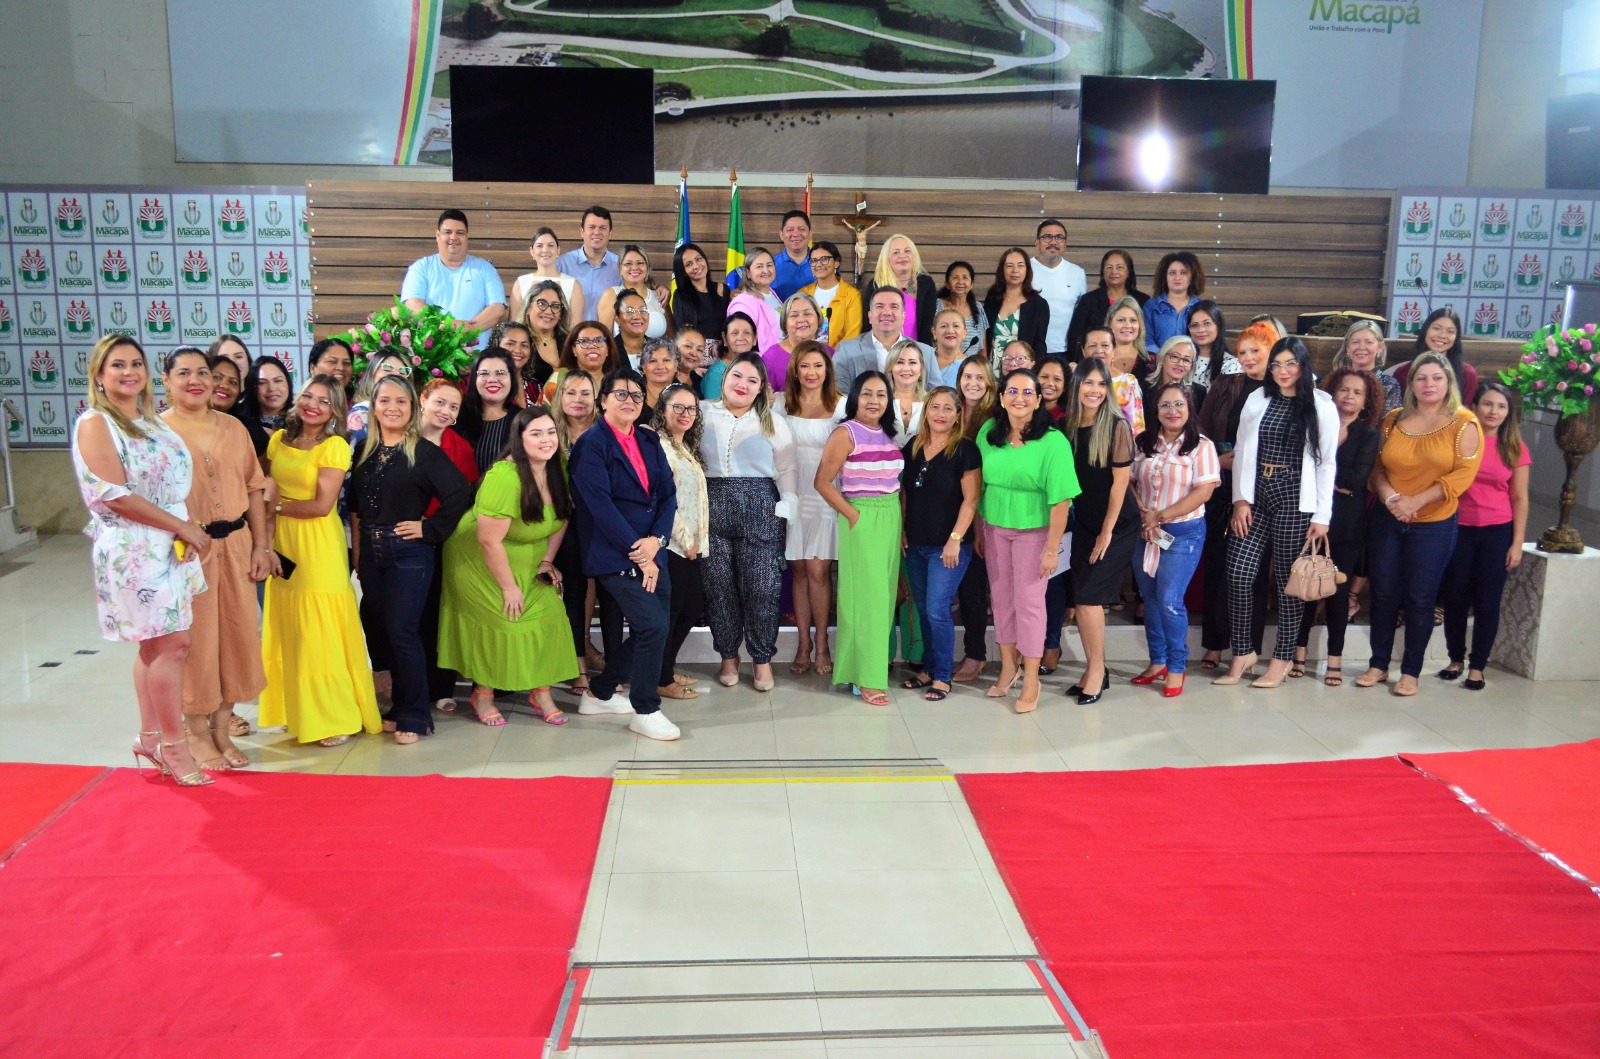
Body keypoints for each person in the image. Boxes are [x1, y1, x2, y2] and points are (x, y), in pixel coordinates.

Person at [73, 336, 211, 786]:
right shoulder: (96, 422)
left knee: (154, 645)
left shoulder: (150, 421)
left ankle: (150, 737)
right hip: (133, 549)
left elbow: (170, 484)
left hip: (167, 544)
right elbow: (113, 494)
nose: (129, 372)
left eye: (136, 363)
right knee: (174, 645)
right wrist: (182, 527)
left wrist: (183, 528)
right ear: (99, 374)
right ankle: (176, 745)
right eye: (117, 365)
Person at [160, 348, 270, 770]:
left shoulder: (233, 427)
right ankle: (196, 733)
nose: (196, 380)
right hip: (186, 551)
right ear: (166, 380)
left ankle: (223, 731)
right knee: (198, 643)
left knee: (239, 637)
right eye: (183, 373)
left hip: (238, 544)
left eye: (203, 373)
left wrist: (261, 545)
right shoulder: (156, 432)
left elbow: (255, 487)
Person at [260, 375, 382, 746]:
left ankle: (336, 714)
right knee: (291, 626)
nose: (313, 405)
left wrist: (275, 509)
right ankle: (298, 709)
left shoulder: (335, 446)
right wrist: (265, 533)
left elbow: (320, 505)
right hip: (283, 539)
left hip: (317, 544)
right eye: (308, 396)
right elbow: (270, 486)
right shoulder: (279, 440)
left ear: (336, 411)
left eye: (324, 401)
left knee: (320, 629)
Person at [349, 375, 471, 741]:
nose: (392, 408)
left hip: (410, 554)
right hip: (371, 554)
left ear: (413, 407)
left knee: (404, 633)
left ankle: (416, 716)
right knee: (386, 632)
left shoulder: (424, 451)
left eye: (401, 401)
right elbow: (356, 508)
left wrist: (430, 529)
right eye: (384, 400)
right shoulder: (364, 450)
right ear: (373, 406)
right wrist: (358, 555)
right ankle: (401, 704)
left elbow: (460, 494)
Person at [439, 406, 578, 726]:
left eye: (550, 432)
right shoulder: (504, 476)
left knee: (551, 615)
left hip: (527, 556)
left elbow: (561, 518)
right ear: (519, 439)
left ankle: (540, 692)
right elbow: (489, 540)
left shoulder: (557, 465)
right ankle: (483, 694)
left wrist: (546, 561)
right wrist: (508, 587)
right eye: (536, 433)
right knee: (506, 618)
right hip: (477, 558)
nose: (546, 440)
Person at [1215, 337, 1340, 688]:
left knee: (1289, 584)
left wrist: (1322, 516)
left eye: (1290, 364)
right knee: (1239, 574)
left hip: (1295, 498)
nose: (1283, 372)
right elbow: (1241, 450)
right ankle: (1243, 652)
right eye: (1276, 365)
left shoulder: (1320, 406)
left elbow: (1327, 463)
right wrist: (1240, 499)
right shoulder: (1257, 399)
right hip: (1255, 496)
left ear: (1303, 365)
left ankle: (1282, 658)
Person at [1358, 351, 1483, 696]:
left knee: (1420, 598)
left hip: (1433, 523)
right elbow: (1377, 468)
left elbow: (1461, 477)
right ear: (1411, 383)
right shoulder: (1394, 419)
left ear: (1448, 383)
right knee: (1383, 594)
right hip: (1389, 517)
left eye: (1437, 378)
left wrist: (1415, 502)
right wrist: (1391, 499)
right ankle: (1378, 664)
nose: (1429, 384)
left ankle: (1410, 671)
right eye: (1421, 378)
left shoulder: (1464, 423)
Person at [570, 368, 681, 741]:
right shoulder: (592, 444)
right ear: (602, 400)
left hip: (652, 550)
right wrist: (641, 553)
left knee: (656, 628)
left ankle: (599, 694)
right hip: (615, 554)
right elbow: (600, 508)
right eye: (620, 394)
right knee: (652, 626)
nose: (630, 401)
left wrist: (658, 541)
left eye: (636, 395)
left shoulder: (649, 441)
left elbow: (668, 495)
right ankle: (645, 708)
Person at [975, 367, 1078, 713]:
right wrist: (979, 529)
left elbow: (1061, 501)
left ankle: (1031, 676)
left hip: (1036, 532)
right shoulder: (989, 432)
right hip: (995, 527)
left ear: (1038, 400)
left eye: (1027, 392)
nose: (1019, 398)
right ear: (1001, 398)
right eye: (1012, 392)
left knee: (1030, 603)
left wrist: (1052, 549)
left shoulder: (1053, 441)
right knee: (1002, 598)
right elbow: (980, 487)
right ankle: (1008, 666)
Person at [699, 352, 799, 692]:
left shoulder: (773, 420)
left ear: (761, 389)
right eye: (736, 376)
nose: (742, 384)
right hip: (711, 505)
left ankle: (761, 659)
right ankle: (728, 656)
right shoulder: (701, 412)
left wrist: (787, 506)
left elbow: (787, 468)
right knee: (718, 588)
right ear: (724, 379)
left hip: (761, 506)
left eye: (752, 380)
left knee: (762, 588)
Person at [814, 371, 904, 706]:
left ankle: (860, 671)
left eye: (881, 395)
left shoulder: (890, 432)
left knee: (883, 599)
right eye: (867, 394)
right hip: (863, 515)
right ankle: (867, 678)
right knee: (867, 601)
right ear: (855, 397)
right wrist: (854, 516)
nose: (874, 401)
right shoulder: (846, 432)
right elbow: (822, 481)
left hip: (890, 516)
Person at [1129, 382, 1220, 698]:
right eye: (1165, 405)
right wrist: (1141, 511)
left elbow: (1203, 491)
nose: (1172, 411)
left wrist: (1161, 515)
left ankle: (1177, 666)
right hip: (1145, 532)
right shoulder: (1142, 442)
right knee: (1150, 597)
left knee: (1169, 599)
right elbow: (1128, 481)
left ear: (1189, 408)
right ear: (1155, 410)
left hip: (1181, 534)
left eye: (1179, 404)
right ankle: (1158, 661)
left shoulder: (1201, 446)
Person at [1291, 367, 1381, 686]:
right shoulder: (1316, 425)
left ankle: (1334, 660)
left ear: (1366, 401)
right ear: (1333, 392)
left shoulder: (1369, 435)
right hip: (1310, 517)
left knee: (1337, 594)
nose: (1349, 396)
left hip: (1347, 523)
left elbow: (1357, 479)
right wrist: (1331, 481)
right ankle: (1298, 653)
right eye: (1344, 389)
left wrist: (1326, 478)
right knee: (1305, 588)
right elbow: (1304, 469)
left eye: (1358, 392)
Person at [1195, 321, 1276, 669]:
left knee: (1253, 573)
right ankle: (1213, 644)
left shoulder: (1282, 390)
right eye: (1242, 351)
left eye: (1255, 350)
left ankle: (1248, 649)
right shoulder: (1226, 383)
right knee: (1216, 565)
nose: (1248, 357)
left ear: (1272, 351)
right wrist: (1218, 459)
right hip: (1220, 483)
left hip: (1263, 491)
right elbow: (1199, 429)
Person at [1059, 358, 1140, 704]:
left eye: (1101, 384)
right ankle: (1096, 668)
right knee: (1081, 598)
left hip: (1118, 524)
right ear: (1076, 386)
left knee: (1090, 597)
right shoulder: (1067, 428)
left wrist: (1107, 531)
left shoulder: (1117, 426)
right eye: (1088, 383)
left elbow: (1120, 485)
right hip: (1086, 523)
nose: (1094, 390)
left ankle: (1096, 670)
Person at [1437, 381, 1528, 691]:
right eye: (1488, 404)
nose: (1494, 411)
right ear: (1474, 407)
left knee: (1488, 602)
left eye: (1502, 406)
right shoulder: (1460, 439)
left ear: (1509, 412)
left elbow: (1520, 498)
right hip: (1457, 527)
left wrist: (1517, 543)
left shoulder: (1514, 446)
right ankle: (1455, 659)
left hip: (1497, 531)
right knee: (1456, 597)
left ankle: (1477, 666)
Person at [900, 386, 981, 701]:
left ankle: (943, 676)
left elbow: (971, 500)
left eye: (948, 408)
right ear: (926, 411)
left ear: (958, 414)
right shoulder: (913, 446)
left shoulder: (965, 450)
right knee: (922, 609)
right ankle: (929, 669)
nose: (941, 414)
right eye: (935, 407)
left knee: (937, 609)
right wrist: (902, 531)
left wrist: (955, 540)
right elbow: (906, 493)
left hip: (948, 548)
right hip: (916, 544)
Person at [775, 341, 844, 675]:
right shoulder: (778, 403)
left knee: (819, 572)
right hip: (791, 494)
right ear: (795, 370)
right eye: (804, 366)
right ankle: (802, 645)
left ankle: (822, 645)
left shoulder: (842, 406)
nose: (811, 373)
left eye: (818, 366)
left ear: (827, 370)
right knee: (799, 572)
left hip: (826, 497)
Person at [416, 378, 478, 713]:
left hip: (447, 540)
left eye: (453, 407)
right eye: (440, 402)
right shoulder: (403, 440)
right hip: (407, 538)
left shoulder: (460, 447)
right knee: (412, 616)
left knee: (441, 614)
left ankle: (441, 687)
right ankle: (411, 687)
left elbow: (465, 500)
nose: (446, 411)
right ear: (423, 400)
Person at [651, 384, 709, 701]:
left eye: (691, 409)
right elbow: (665, 499)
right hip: (671, 544)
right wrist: (686, 540)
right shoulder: (659, 446)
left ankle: (665, 668)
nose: (685, 414)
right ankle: (659, 677)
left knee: (691, 607)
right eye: (678, 407)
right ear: (663, 410)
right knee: (673, 612)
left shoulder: (683, 445)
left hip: (690, 544)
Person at [548, 369, 603, 692]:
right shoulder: (549, 432)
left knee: (593, 592)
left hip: (597, 523)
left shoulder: (604, 432)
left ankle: (585, 655)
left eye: (585, 393)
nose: (578, 400)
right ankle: (576, 664)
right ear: (559, 397)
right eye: (570, 393)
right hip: (557, 524)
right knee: (573, 593)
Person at [953, 355, 998, 684]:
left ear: (989, 384)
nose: (972, 383)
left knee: (973, 588)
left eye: (979, 378)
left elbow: (988, 475)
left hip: (980, 514)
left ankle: (976, 654)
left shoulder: (993, 420)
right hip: (949, 509)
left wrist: (979, 525)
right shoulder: (949, 410)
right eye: (967, 376)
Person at [401, 209, 507, 349]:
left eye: (460, 233)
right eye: (448, 232)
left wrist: (468, 329)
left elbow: (497, 309)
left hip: (477, 362)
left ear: (467, 236)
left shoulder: (485, 269)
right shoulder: (421, 268)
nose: (454, 237)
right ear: (437, 235)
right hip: (433, 360)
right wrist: (446, 325)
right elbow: (412, 305)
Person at [835, 287, 933, 394]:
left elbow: (937, 397)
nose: (886, 312)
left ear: (903, 317)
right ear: (870, 316)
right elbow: (838, 397)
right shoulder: (846, 351)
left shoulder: (926, 353)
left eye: (894, 306)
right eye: (879, 306)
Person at [1067, 249, 1145, 361]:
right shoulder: (1088, 300)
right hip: (1096, 362)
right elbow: (1075, 337)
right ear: (1102, 272)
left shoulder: (1142, 300)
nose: (1114, 272)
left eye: (1119, 267)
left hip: (1134, 361)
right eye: (1109, 267)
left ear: (1128, 272)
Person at [456, 348, 524, 475]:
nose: (492, 379)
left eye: (500, 373)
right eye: (484, 373)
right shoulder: (457, 417)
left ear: (511, 378)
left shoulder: (523, 420)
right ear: (474, 379)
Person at [862, 234, 940, 343]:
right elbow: (867, 325)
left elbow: (928, 326)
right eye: (896, 252)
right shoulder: (876, 285)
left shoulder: (925, 284)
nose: (902, 256)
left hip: (916, 353)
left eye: (907, 251)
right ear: (886, 258)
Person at [1030, 219, 1088, 359]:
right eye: (1047, 237)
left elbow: (1082, 316)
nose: (1053, 242)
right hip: (1030, 349)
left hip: (1066, 352)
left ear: (1065, 244)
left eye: (1059, 237)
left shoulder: (1077, 273)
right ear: (1037, 242)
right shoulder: (1025, 270)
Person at [982, 248, 1049, 365]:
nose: (1015, 270)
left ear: (1027, 270)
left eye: (1020, 265)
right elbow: (985, 337)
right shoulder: (992, 299)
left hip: (1020, 369)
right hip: (992, 368)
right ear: (1002, 270)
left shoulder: (1038, 304)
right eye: (1009, 266)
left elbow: (1039, 345)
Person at [1393, 307, 1477, 399]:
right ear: (1425, 330)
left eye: (1450, 331)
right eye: (1436, 328)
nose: (1442, 335)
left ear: (1456, 337)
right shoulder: (1402, 372)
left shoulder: (1467, 374)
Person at [510, 226, 584, 327]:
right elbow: (514, 324)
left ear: (558, 250)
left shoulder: (573, 285)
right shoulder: (521, 283)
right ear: (532, 251)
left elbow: (575, 326)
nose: (545, 250)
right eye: (539, 246)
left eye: (550, 245)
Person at [558, 206, 620, 322]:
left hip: (607, 338)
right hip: (570, 337)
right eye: (591, 227)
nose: (597, 232)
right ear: (582, 231)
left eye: (602, 228)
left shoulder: (620, 266)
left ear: (610, 233)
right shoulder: (562, 264)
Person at [597, 245, 672, 341]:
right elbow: (604, 339)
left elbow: (672, 337)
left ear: (647, 267)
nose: (634, 267)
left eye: (640, 263)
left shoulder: (659, 296)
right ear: (620, 269)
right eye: (628, 263)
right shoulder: (611, 294)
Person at [1331, 318, 1403, 413]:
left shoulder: (1389, 385)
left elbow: (1388, 423)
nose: (1361, 347)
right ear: (1348, 347)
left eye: (1368, 342)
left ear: (1380, 347)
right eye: (1355, 342)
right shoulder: (1335, 380)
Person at [762, 291, 829, 389]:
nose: (801, 319)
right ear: (784, 322)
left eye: (807, 314)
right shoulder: (770, 358)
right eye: (794, 315)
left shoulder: (830, 354)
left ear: (818, 318)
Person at [801, 239, 861, 345]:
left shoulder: (852, 295)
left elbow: (852, 335)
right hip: (806, 354)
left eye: (824, 259)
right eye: (814, 260)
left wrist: (830, 356)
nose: (818, 264)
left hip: (838, 358)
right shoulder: (803, 293)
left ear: (836, 263)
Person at [1143, 251, 1204, 354]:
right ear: (1165, 277)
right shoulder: (1151, 306)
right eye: (1172, 273)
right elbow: (1146, 340)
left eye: (1183, 272)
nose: (1177, 277)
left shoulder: (1201, 307)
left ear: (1192, 277)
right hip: (1158, 365)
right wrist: (1165, 360)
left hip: (1194, 365)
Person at [546, 319, 622, 402]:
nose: (592, 346)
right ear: (574, 350)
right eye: (584, 341)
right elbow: (539, 412)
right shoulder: (561, 377)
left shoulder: (619, 382)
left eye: (599, 341)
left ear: (608, 349)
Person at [1100, 304, 1148, 432]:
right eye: (1121, 320)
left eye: (1133, 320)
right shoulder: (1099, 360)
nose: (1127, 325)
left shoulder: (1152, 362)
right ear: (1109, 324)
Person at [515, 282, 569, 395]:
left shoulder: (569, 341)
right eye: (542, 303)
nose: (548, 311)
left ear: (561, 314)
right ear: (528, 307)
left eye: (555, 306)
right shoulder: (516, 341)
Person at [726, 246, 784, 350]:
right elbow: (740, 343)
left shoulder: (772, 294)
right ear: (748, 273)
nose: (766, 270)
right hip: (760, 363)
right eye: (759, 266)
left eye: (769, 265)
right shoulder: (743, 302)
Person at [346, 350, 410, 443]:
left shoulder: (409, 414)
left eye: (402, 372)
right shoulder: (361, 415)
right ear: (372, 374)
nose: (395, 375)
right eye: (387, 369)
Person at [670, 241, 729, 337]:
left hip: (724, 350)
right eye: (689, 264)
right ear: (683, 271)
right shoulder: (680, 296)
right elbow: (681, 333)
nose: (696, 266)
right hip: (696, 350)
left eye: (698, 259)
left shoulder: (723, 289)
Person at [937, 260, 988, 363]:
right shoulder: (937, 306)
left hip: (971, 370)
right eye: (955, 278)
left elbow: (983, 349)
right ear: (947, 284)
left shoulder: (978, 308)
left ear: (971, 284)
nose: (960, 282)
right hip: (942, 368)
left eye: (965, 278)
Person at [240, 355, 293, 453]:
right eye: (262, 383)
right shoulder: (240, 423)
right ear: (252, 387)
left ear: (288, 382)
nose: (271, 388)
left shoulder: (303, 420)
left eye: (278, 381)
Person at [702, 311, 759, 401]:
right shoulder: (716, 374)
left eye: (747, 333)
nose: (741, 337)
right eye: (734, 333)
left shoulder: (758, 367)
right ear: (725, 338)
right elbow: (712, 409)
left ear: (755, 339)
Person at [1142, 335, 1205, 415]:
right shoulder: (1143, 389)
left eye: (1186, 360)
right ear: (1161, 359)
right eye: (1175, 357)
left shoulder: (1199, 393)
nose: (1180, 364)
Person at [1186, 299, 1235, 390]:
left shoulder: (1231, 363)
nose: (1200, 330)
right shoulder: (1182, 359)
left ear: (1219, 326)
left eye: (1207, 323)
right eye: (1194, 325)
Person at [887, 338, 928, 437]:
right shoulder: (880, 401)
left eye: (912, 362)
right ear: (890, 368)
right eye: (899, 362)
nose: (906, 368)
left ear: (921, 370)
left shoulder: (930, 402)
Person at [773, 209, 815, 300]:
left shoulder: (824, 264)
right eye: (790, 230)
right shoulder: (769, 265)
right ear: (781, 235)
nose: (796, 234)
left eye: (801, 229)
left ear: (810, 233)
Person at [640, 337, 680, 421]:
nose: (660, 366)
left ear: (676, 366)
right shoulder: (633, 398)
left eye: (666, 360)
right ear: (643, 367)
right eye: (653, 361)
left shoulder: (686, 396)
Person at [930, 307, 971, 389]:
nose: (950, 331)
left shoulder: (970, 365)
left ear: (964, 332)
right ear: (934, 332)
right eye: (944, 326)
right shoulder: (923, 359)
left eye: (956, 326)